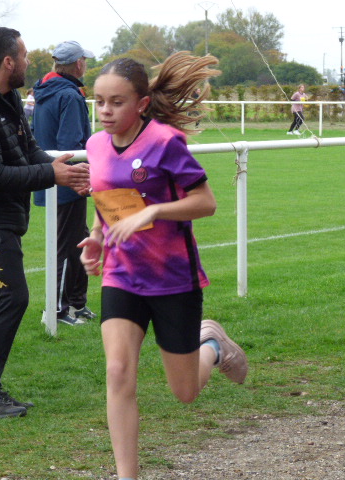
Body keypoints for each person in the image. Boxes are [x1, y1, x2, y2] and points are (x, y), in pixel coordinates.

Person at [79, 52, 249, 480]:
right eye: (99, 101)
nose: (105, 111)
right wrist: (97, 237)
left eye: (116, 102)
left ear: (141, 104)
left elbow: (206, 202)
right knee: (117, 372)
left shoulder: (164, 142)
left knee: (185, 392)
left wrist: (153, 211)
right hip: (121, 275)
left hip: (172, 280)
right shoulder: (95, 145)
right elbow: (106, 200)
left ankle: (212, 344)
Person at [0, 27, 90, 419]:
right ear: (8, 61)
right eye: (24, 56)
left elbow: (27, 150)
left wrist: (65, 169)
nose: (28, 62)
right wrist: (52, 175)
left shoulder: (3, 96)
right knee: (10, 297)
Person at [32, 40, 97, 326]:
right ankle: (57, 311)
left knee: (79, 240)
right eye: (85, 61)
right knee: (67, 245)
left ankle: (77, 303)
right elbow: (71, 144)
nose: (86, 65)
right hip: (68, 180)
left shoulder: (44, 91)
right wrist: (81, 178)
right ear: (78, 63)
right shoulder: (69, 95)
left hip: (50, 176)